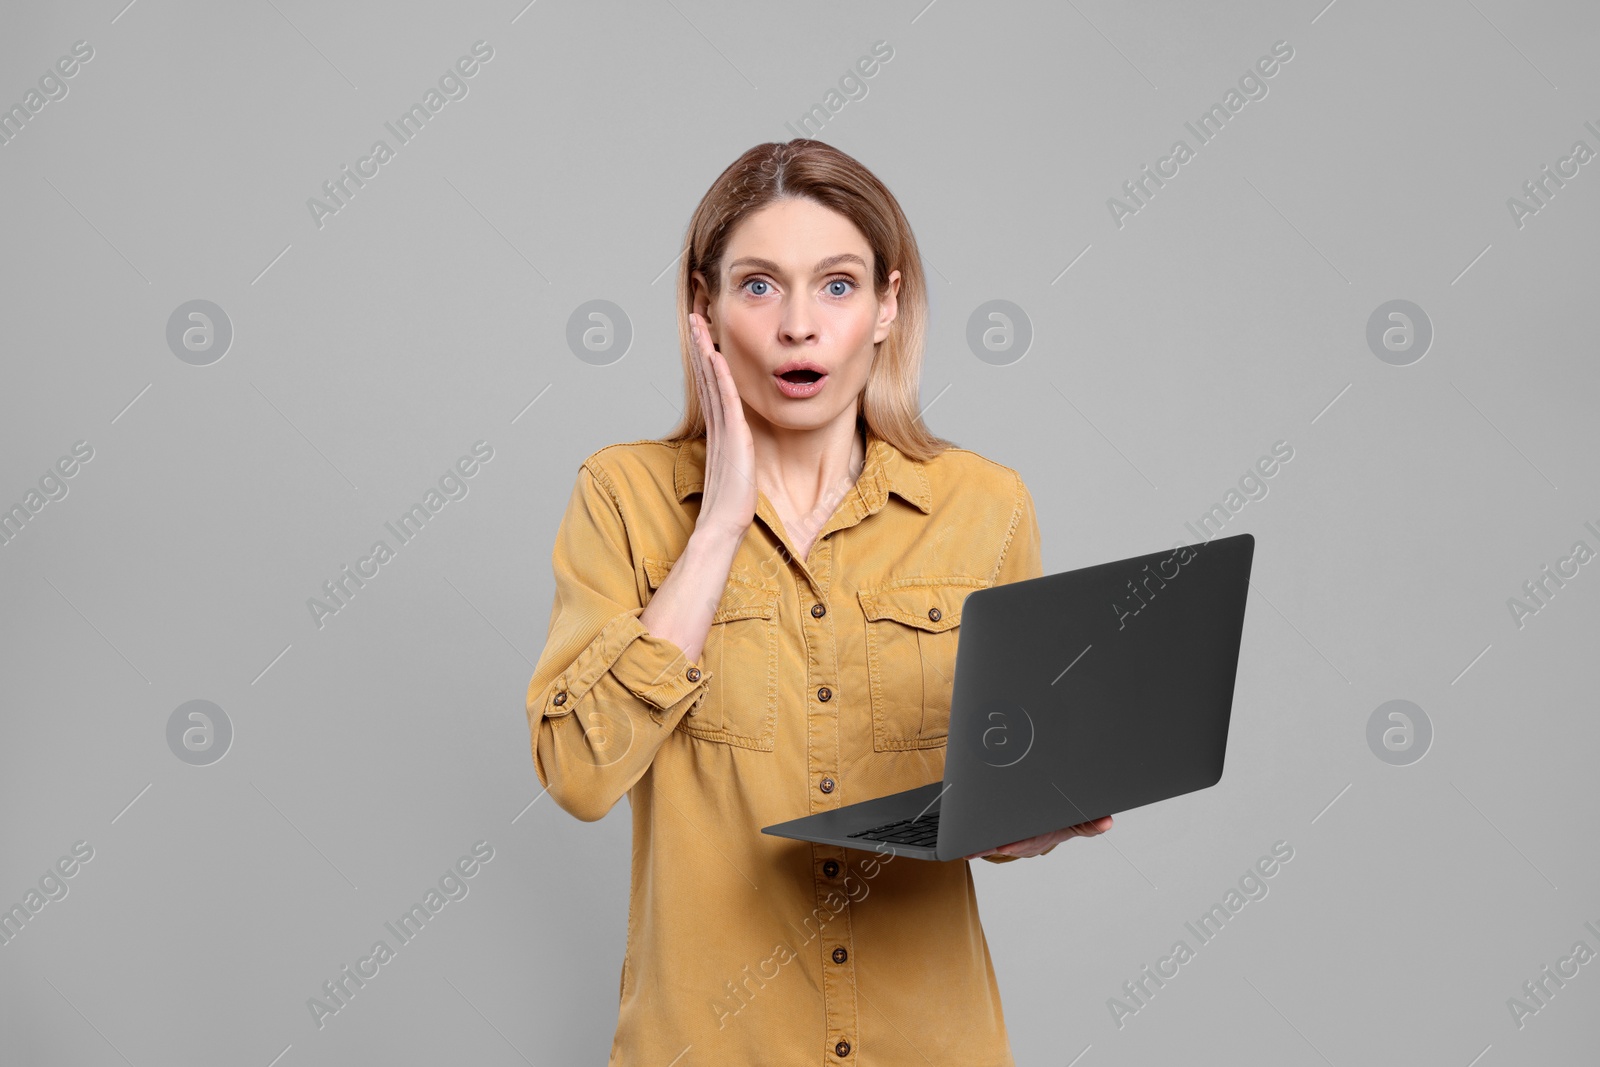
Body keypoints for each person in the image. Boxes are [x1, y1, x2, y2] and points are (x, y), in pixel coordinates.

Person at [525, 139, 1111, 1066]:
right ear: (702, 311)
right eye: (758, 286)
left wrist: (1036, 821)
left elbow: (998, 791)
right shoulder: (624, 498)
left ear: (888, 305)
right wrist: (717, 523)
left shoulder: (986, 506)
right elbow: (577, 773)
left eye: (836, 285)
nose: (799, 325)